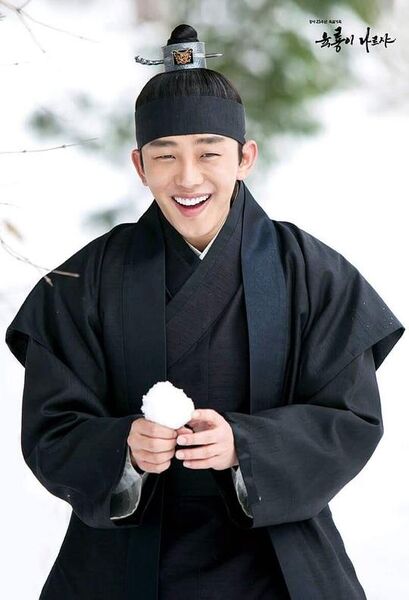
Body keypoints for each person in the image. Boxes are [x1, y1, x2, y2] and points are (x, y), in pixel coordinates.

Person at [5, 23, 405, 600]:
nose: (188, 177)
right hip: (125, 562)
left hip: (274, 560)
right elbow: (53, 426)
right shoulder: (84, 280)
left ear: (245, 157)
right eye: (165, 155)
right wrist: (126, 450)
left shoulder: (309, 272)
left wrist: (246, 446)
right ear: (140, 165)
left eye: (209, 153)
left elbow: (349, 418)